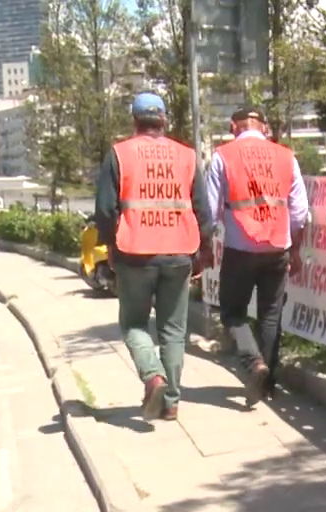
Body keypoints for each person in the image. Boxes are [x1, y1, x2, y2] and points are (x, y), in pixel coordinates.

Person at [94, 92, 216, 421]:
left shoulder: (119, 154)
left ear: (135, 121)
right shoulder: (186, 155)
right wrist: (204, 250)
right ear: (163, 120)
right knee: (174, 331)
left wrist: (111, 247)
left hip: (134, 253)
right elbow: (203, 210)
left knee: (134, 323)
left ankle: (153, 376)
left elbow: (105, 210)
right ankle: (171, 402)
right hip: (179, 252)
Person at [205, 107, 310, 405]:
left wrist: (205, 247)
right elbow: (300, 211)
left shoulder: (223, 156)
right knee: (271, 316)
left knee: (232, 312)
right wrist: (295, 250)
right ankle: (268, 386)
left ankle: (254, 364)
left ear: (233, 126)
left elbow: (210, 210)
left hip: (240, 249)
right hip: (278, 248)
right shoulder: (286, 156)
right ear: (264, 127)